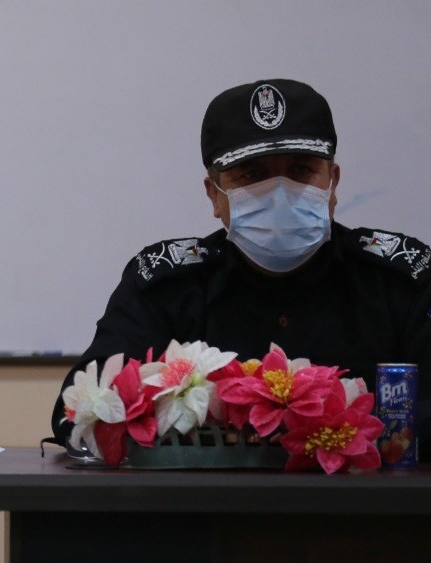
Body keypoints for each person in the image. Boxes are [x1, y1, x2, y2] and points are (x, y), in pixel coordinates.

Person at [52, 78, 431, 444]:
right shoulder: (166, 286)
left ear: (332, 182)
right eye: (252, 175)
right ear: (214, 195)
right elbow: (77, 413)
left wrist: (319, 424)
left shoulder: (401, 281)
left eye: (301, 170)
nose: (280, 192)